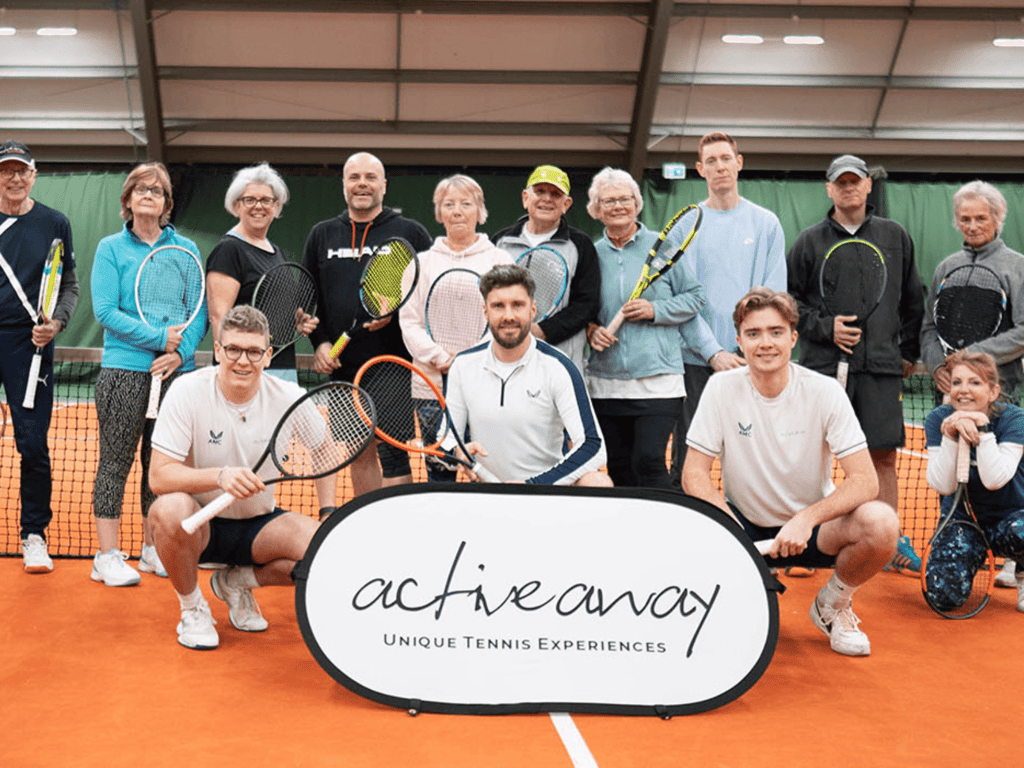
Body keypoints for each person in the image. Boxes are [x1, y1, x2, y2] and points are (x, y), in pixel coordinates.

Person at [682, 287, 899, 657]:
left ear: (793, 338)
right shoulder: (720, 388)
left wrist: (805, 519)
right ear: (738, 341)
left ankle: (833, 605)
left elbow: (866, 480)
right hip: (746, 526)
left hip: (815, 530)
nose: (765, 343)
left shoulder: (825, 391)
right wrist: (728, 523)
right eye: (753, 334)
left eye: (775, 332)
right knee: (682, 532)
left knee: (881, 523)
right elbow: (694, 474)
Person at [148, 306, 331, 650]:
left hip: (259, 525)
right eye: (232, 349)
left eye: (253, 351)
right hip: (200, 525)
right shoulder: (187, 391)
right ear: (218, 351)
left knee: (324, 547)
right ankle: (192, 607)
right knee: (167, 511)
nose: (242, 360)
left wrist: (329, 511)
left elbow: (324, 448)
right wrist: (220, 477)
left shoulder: (288, 397)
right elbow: (159, 476)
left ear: (268, 355)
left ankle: (236, 581)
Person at [787, 153, 925, 575]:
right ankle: (805, 540)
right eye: (840, 182)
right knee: (816, 454)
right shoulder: (809, 241)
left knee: (882, 456)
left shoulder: (895, 236)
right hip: (823, 368)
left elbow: (911, 299)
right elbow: (790, 303)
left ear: (868, 186)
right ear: (829, 189)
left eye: (855, 181)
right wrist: (827, 328)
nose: (848, 188)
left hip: (880, 368)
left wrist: (905, 353)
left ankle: (890, 540)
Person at [90, 162, 207, 586]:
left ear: (166, 203)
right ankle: (106, 555)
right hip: (125, 372)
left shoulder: (187, 249)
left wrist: (181, 353)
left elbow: (197, 311)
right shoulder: (110, 248)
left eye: (157, 191)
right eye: (140, 189)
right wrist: (160, 338)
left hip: (176, 373)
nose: (148, 195)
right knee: (115, 462)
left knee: (158, 465)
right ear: (127, 199)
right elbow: (105, 311)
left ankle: (151, 550)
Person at [303, 152, 432, 495]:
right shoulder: (322, 235)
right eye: (354, 177)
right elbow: (308, 299)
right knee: (358, 453)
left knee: (394, 454)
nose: (362, 184)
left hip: (391, 363)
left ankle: (397, 528)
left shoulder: (411, 233)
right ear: (344, 185)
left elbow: (425, 296)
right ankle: (369, 529)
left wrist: (396, 316)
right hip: (343, 366)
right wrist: (320, 342)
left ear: (384, 186)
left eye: (370, 177)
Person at [668, 131, 786, 488]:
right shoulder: (684, 226)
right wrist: (713, 352)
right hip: (694, 362)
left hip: (751, 361)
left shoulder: (766, 224)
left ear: (739, 163)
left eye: (726, 158)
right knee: (688, 462)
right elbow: (680, 301)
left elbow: (772, 297)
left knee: (755, 458)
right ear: (700, 169)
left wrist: (744, 350)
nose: (720, 167)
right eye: (712, 161)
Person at [584, 167, 705, 488]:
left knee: (649, 462)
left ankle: (666, 530)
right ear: (596, 209)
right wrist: (591, 329)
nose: (618, 206)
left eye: (624, 199)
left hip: (659, 380)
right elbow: (583, 309)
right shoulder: (590, 255)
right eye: (608, 201)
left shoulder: (661, 246)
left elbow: (695, 298)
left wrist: (655, 309)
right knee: (620, 468)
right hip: (606, 383)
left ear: (637, 204)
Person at [445, 264, 611, 487]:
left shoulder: (558, 366)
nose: (508, 316)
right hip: (487, 494)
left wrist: (533, 485)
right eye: (498, 306)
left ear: (532, 310)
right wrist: (457, 451)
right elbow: (444, 443)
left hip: (545, 492)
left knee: (597, 482)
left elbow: (593, 446)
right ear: (486, 311)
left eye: (517, 305)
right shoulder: (463, 366)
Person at [398, 174, 513, 482]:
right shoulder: (420, 264)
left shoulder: (500, 260)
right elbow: (409, 323)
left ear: (480, 210)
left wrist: (472, 359)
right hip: (431, 385)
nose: (458, 211)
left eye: (466, 203)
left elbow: (506, 318)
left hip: (489, 383)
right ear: (439, 213)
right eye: (449, 204)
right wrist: (441, 359)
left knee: (491, 470)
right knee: (440, 473)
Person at [0, 140, 79, 573]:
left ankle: (34, 534)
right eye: (6, 170)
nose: (13, 177)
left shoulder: (55, 222)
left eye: (21, 170)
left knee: (32, 445)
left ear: (34, 174)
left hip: (28, 347)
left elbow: (69, 284)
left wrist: (58, 323)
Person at [924, 351, 1024, 613]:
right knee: (943, 597)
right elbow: (943, 486)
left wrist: (982, 427)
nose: (963, 390)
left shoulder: (1015, 419)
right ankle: (971, 554)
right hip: (962, 522)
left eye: (975, 383)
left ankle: (1022, 572)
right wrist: (949, 435)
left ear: (993, 391)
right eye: (957, 382)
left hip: (1012, 519)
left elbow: (995, 480)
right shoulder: (938, 419)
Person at [206, 162, 316, 382]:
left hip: (282, 367)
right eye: (250, 199)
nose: (259, 206)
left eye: (266, 200)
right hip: (245, 371)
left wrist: (298, 320)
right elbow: (220, 317)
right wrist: (231, 370)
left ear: (276, 207)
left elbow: (272, 307)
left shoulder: (277, 253)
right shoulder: (229, 250)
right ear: (236, 206)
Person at [492, 164, 601, 374]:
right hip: (506, 360)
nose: (547, 199)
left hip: (560, 363)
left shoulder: (580, 245)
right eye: (539, 191)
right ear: (525, 198)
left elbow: (586, 303)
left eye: (555, 194)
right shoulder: (500, 241)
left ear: (566, 204)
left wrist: (542, 331)